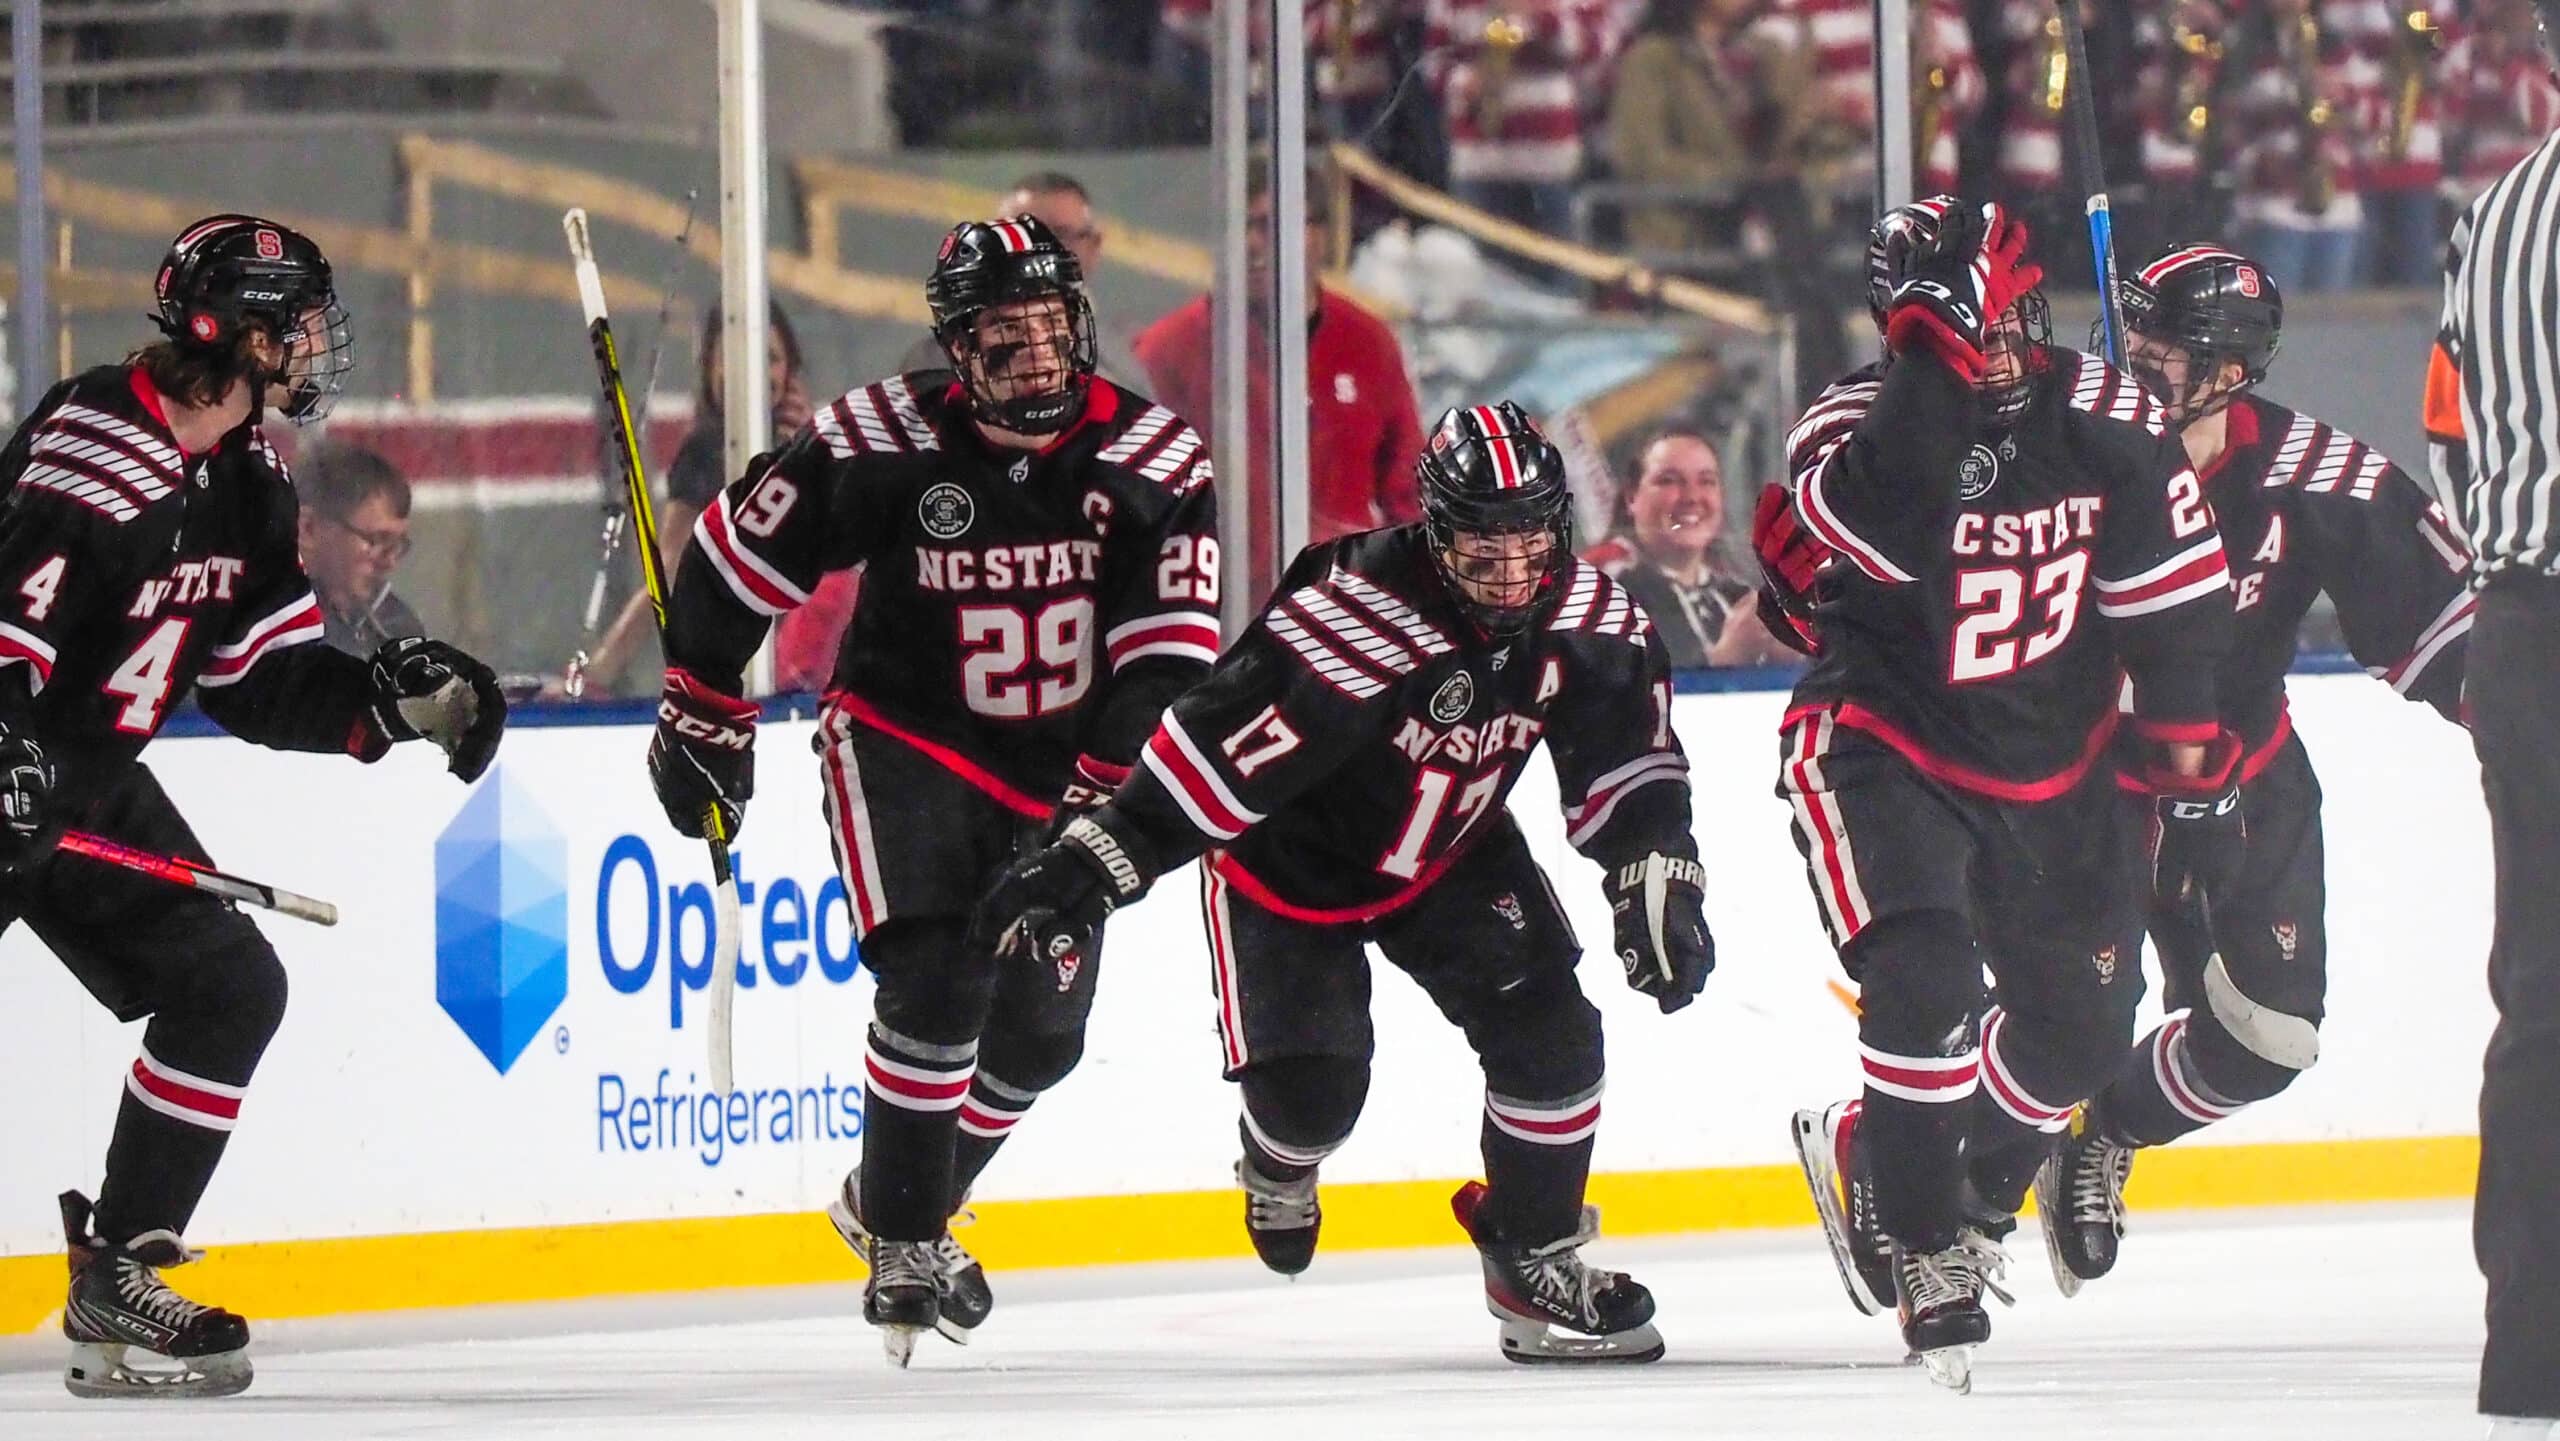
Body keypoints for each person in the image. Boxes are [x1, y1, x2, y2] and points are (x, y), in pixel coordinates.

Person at [972, 402, 1712, 1365]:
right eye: (1481, 541)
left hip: (1451, 850)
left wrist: (1657, 868)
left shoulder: (1590, 612)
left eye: (1528, 534)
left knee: (1557, 1038)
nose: (1508, 563)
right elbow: (1215, 742)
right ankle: (1278, 1164)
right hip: (1290, 867)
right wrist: (1101, 857)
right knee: (1316, 1096)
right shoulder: (1356, 606)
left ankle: (1533, 1252)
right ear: (1435, 529)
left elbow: (1631, 760)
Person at [647, 214, 1221, 1366]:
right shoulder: (880, 437)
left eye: (1051, 325)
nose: (1035, 353)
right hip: (909, 735)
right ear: (955, 347)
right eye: (1002, 333)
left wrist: (1096, 807)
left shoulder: (1156, 460)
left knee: (1042, 1035)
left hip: (1071, 766)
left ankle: (891, 1193)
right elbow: (730, 560)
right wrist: (704, 700)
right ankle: (910, 1235)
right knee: (936, 971)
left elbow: (1168, 664)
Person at [3, 215, 506, 1398]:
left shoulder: (245, 477)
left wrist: (388, 701)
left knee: (227, 983)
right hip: (15, 762)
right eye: (304, 324)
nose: (320, 347)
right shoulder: (94, 456)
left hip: (78, 778)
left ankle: (120, 1272)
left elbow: (256, 679)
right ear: (246, 333)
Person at [1764, 198, 2236, 1390]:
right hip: (1885, 743)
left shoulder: (2111, 411)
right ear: (1907, 326)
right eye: (1981, 324)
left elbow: (2174, 608)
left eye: (2023, 318)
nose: (2010, 347)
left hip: (2058, 760)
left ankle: (1930, 1170)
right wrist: (1943, 336)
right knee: (1920, 981)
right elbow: (1892, 504)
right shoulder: (1846, 422)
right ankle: (1925, 1245)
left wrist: (2188, 772)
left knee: (2081, 1027)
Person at [2034, 243, 2473, 1295]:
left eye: (2163, 341)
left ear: (2229, 370)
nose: (2131, 348)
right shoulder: (2053, 445)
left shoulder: (2311, 473)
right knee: (2053, 1027)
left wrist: (2521, 727)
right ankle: (1925, 1184)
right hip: (2080, 781)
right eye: (2129, 324)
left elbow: (2448, 631)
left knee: (2270, 1039)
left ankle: (2103, 1136)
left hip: (2242, 776)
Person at [2427, 7, 2560, 1432]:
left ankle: (2533, 1343)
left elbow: (2451, 434)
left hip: (2526, 622)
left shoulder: (2498, 211)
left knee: (2546, 991)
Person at [1135, 165, 1424, 600]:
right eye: (1239, 227)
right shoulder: (1168, 350)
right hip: (1219, 613)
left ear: (1319, 236)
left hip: (1345, 610)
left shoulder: (1369, 343)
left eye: (1271, 226)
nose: (1252, 244)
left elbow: (1407, 492)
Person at [577, 301, 815, 696]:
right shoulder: (704, 453)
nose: (752, 371)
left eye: (770, 358)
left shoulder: (821, 448)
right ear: (709, 370)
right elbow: (669, 567)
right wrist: (600, 669)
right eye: (733, 357)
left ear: (790, 373)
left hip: (807, 675)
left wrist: (812, 459)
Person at [901, 173, 1146, 389]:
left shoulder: (1122, 360)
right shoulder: (942, 359)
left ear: (1093, 246)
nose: (1040, 251)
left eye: (1060, 235)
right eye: (1018, 235)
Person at [1586, 427, 1784, 668]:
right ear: (1631, 497)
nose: (1692, 497)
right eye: (1669, 480)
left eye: (1707, 481)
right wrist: (1724, 661)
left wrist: (1789, 658)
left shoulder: (1736, 597)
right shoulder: (1598, 592)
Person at [294, 442, 425, 656]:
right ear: (308, 528)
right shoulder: (267, 629)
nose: (389, 562)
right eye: (377, 540)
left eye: (396, 544)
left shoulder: (396, 627)